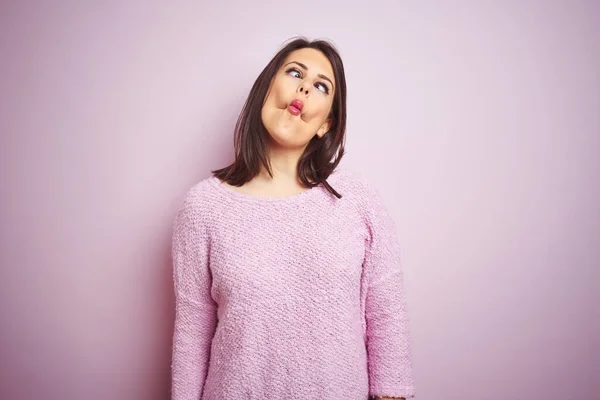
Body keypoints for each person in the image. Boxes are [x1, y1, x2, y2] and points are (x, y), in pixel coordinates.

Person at [170, 36, 415, 400]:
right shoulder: (202, 207)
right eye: (294, 72)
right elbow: (192, 334)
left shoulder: (358, 201)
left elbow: (387, 320)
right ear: (266, 92)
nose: (304, 86)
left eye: (321, 85)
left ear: (325, 125)